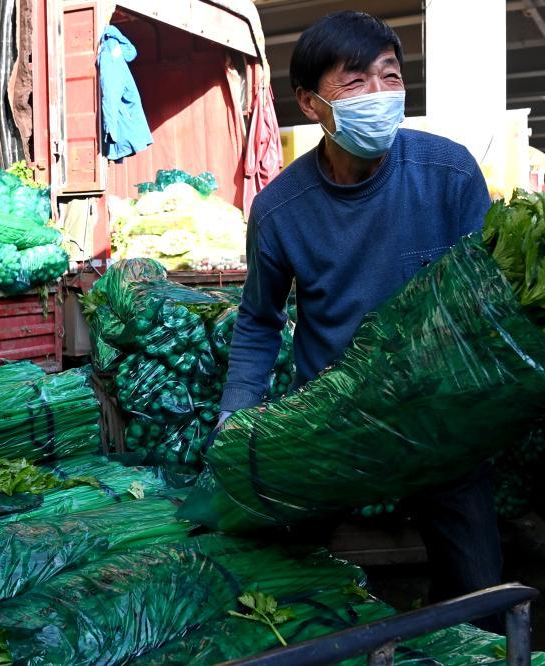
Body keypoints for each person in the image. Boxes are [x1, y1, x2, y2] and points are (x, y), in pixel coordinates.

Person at [215, 11, 503, 629]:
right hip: (332, 422)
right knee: (280, 589)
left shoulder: (449, 175)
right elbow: (258, 322)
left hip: (439, 421)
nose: (380, 96)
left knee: (480, 597)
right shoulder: (280, 210)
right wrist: (235, 422)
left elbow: (489, 305)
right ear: (310, 103)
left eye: (390, 77)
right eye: (355, 83)